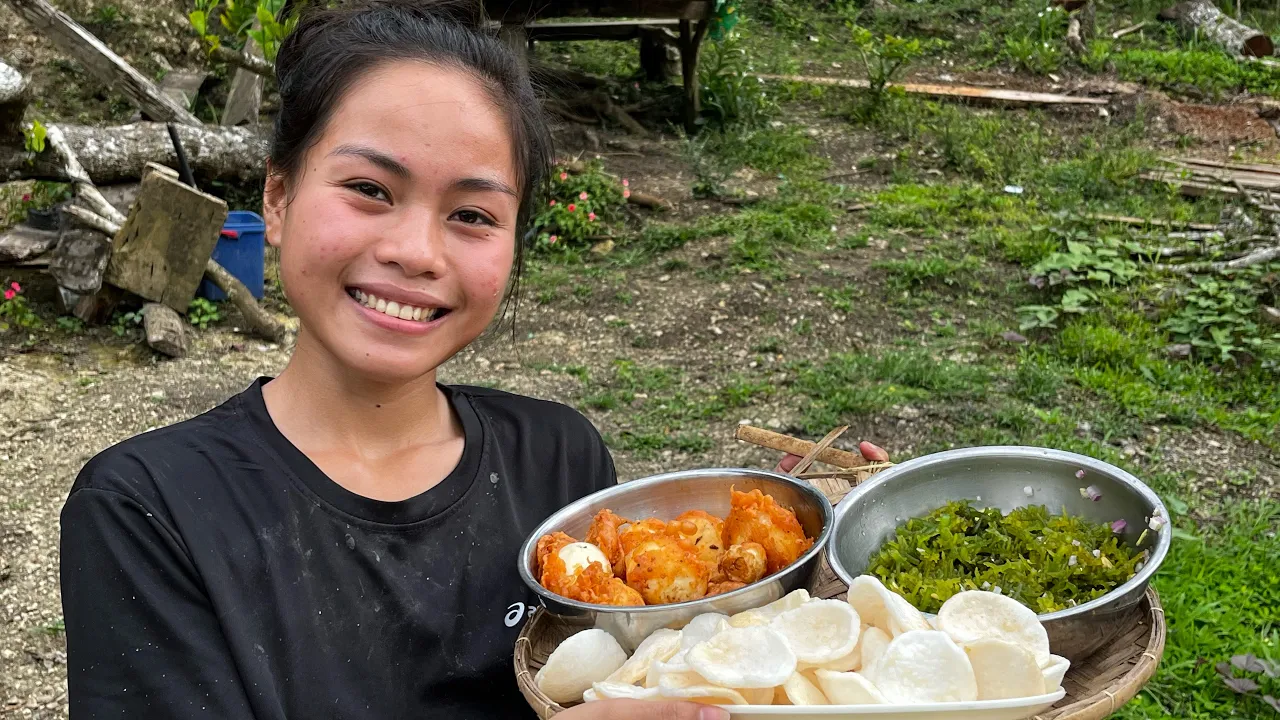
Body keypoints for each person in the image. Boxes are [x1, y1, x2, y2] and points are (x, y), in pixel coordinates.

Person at [57, 2, 888, 718]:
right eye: (370, 190)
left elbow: (651, 669)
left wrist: (818, 568)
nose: (416, 252)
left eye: (473, 215)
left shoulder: (558, 459)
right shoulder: (153, 508)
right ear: (277, 197)